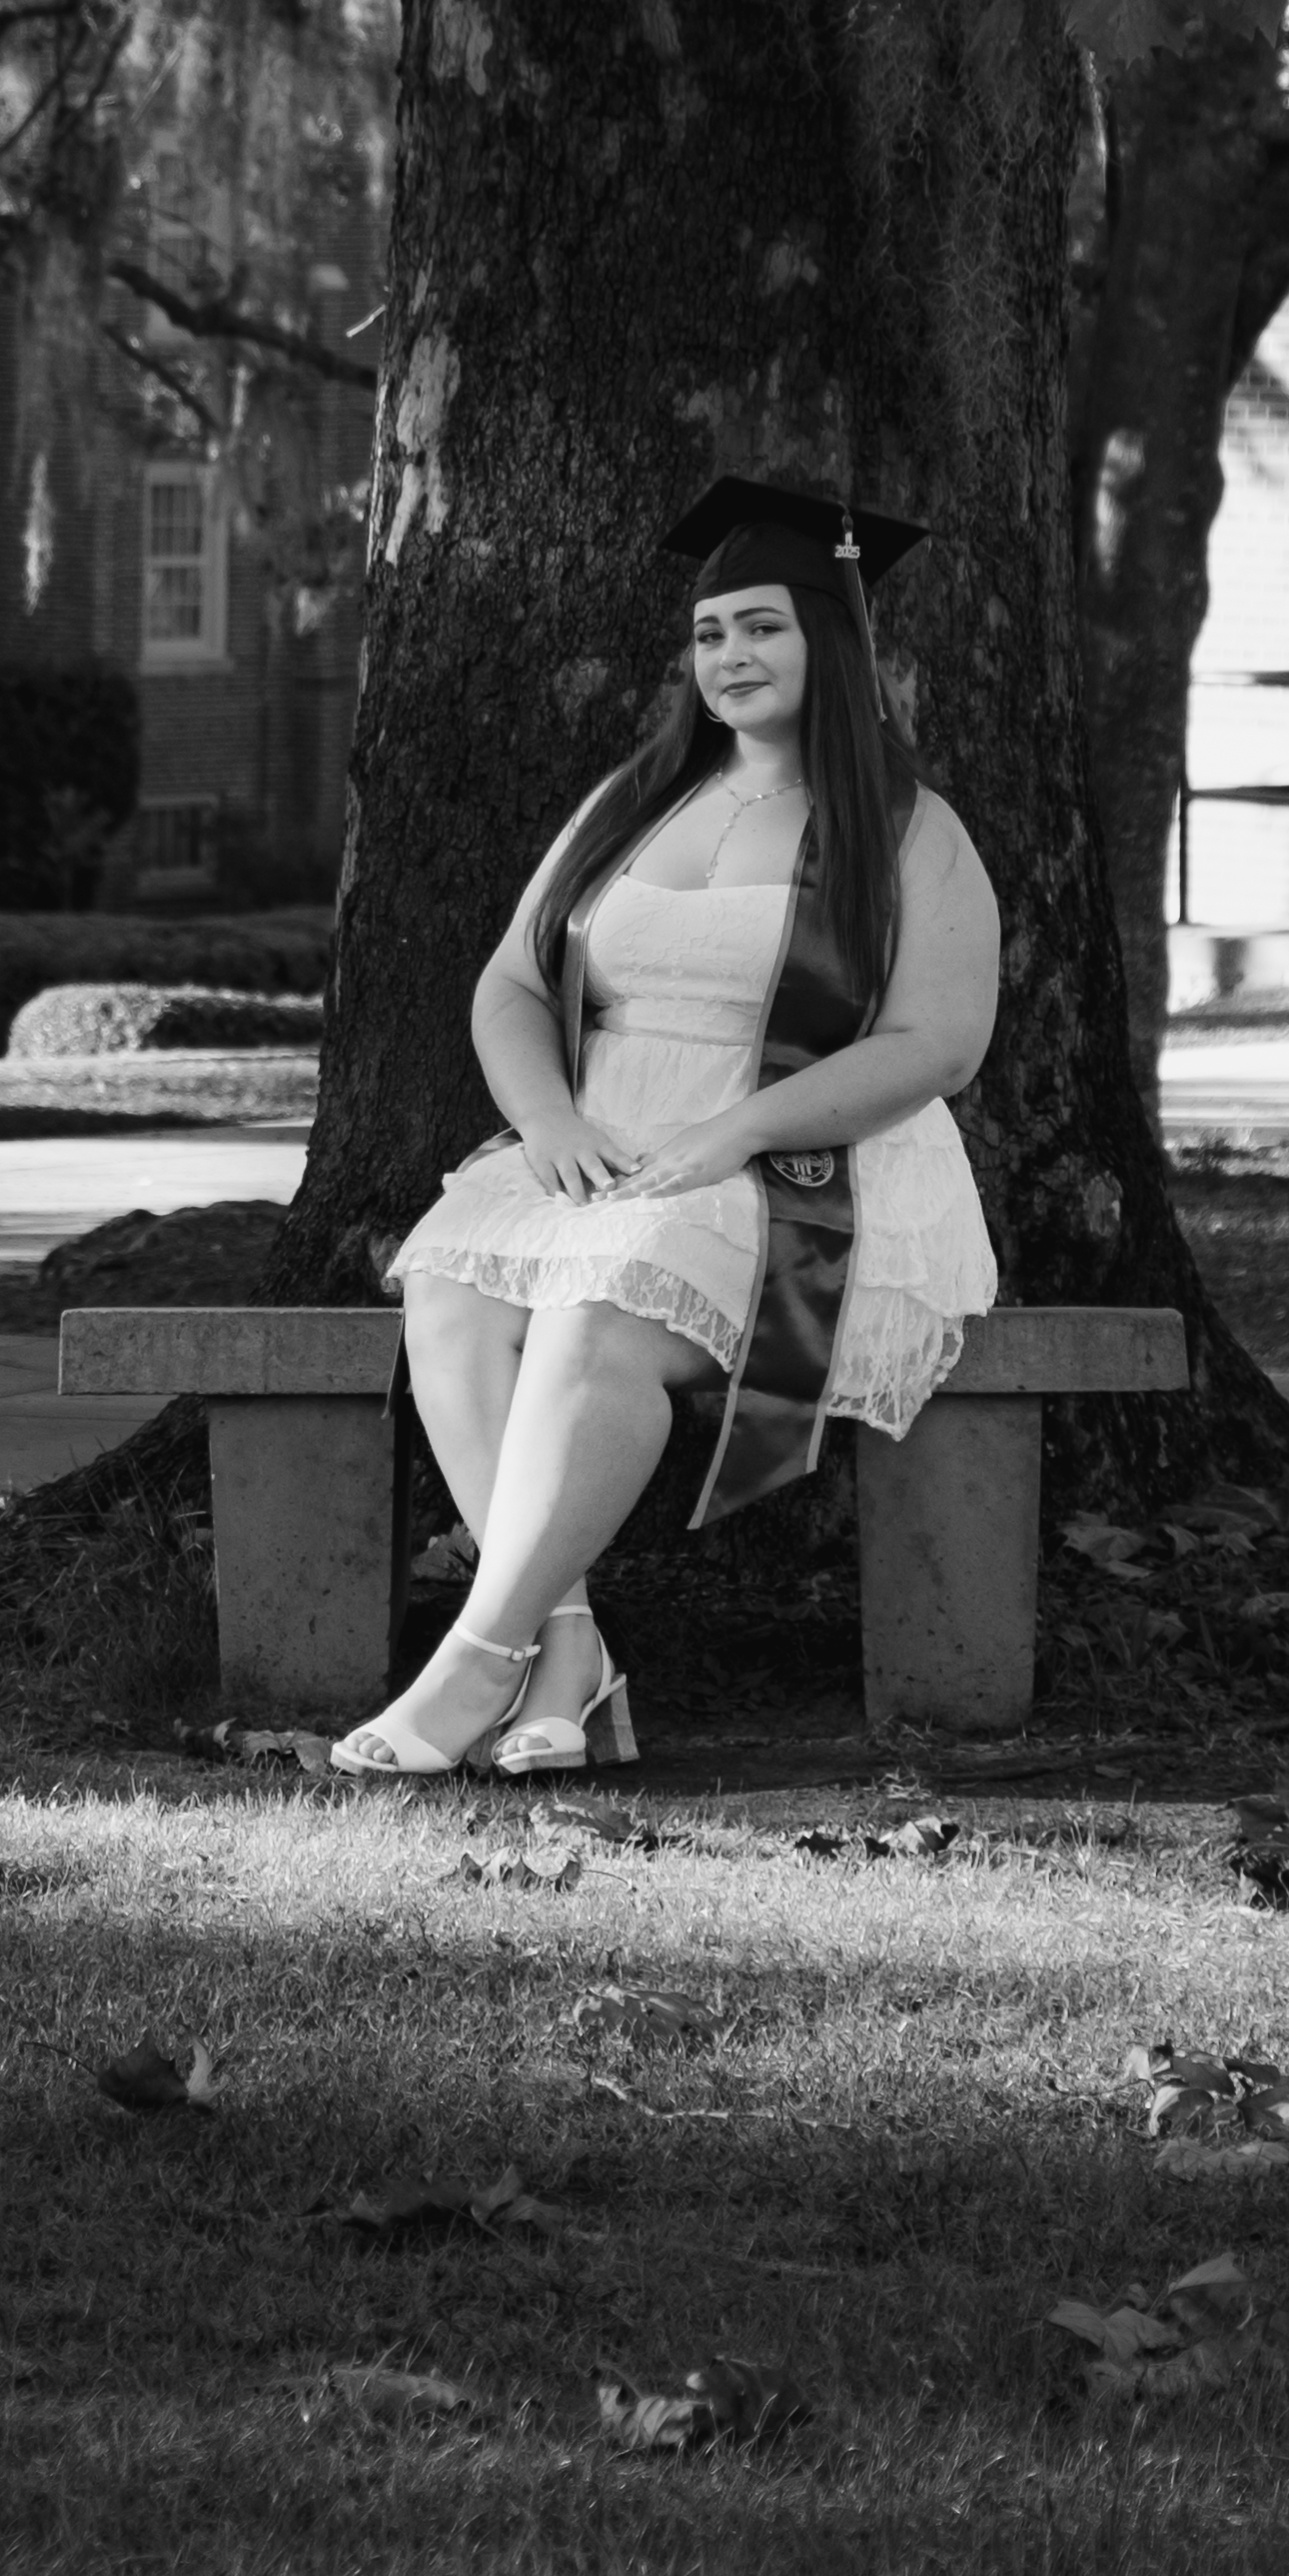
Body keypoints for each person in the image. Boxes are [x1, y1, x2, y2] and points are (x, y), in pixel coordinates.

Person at [331, 475, 1002, 1781]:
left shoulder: (909, 830)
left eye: (762, 626)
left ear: (831, 639)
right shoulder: (632, 804)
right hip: (603, 1152)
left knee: (595, 1312)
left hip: (810, 1170)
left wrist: (737, 1131)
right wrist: (548, 1119)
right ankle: (566, 1657)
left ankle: (472, 1668)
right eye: (708, 633)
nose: (729, 657)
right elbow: (513, 986)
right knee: (449, 1288)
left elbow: (937, 1044)